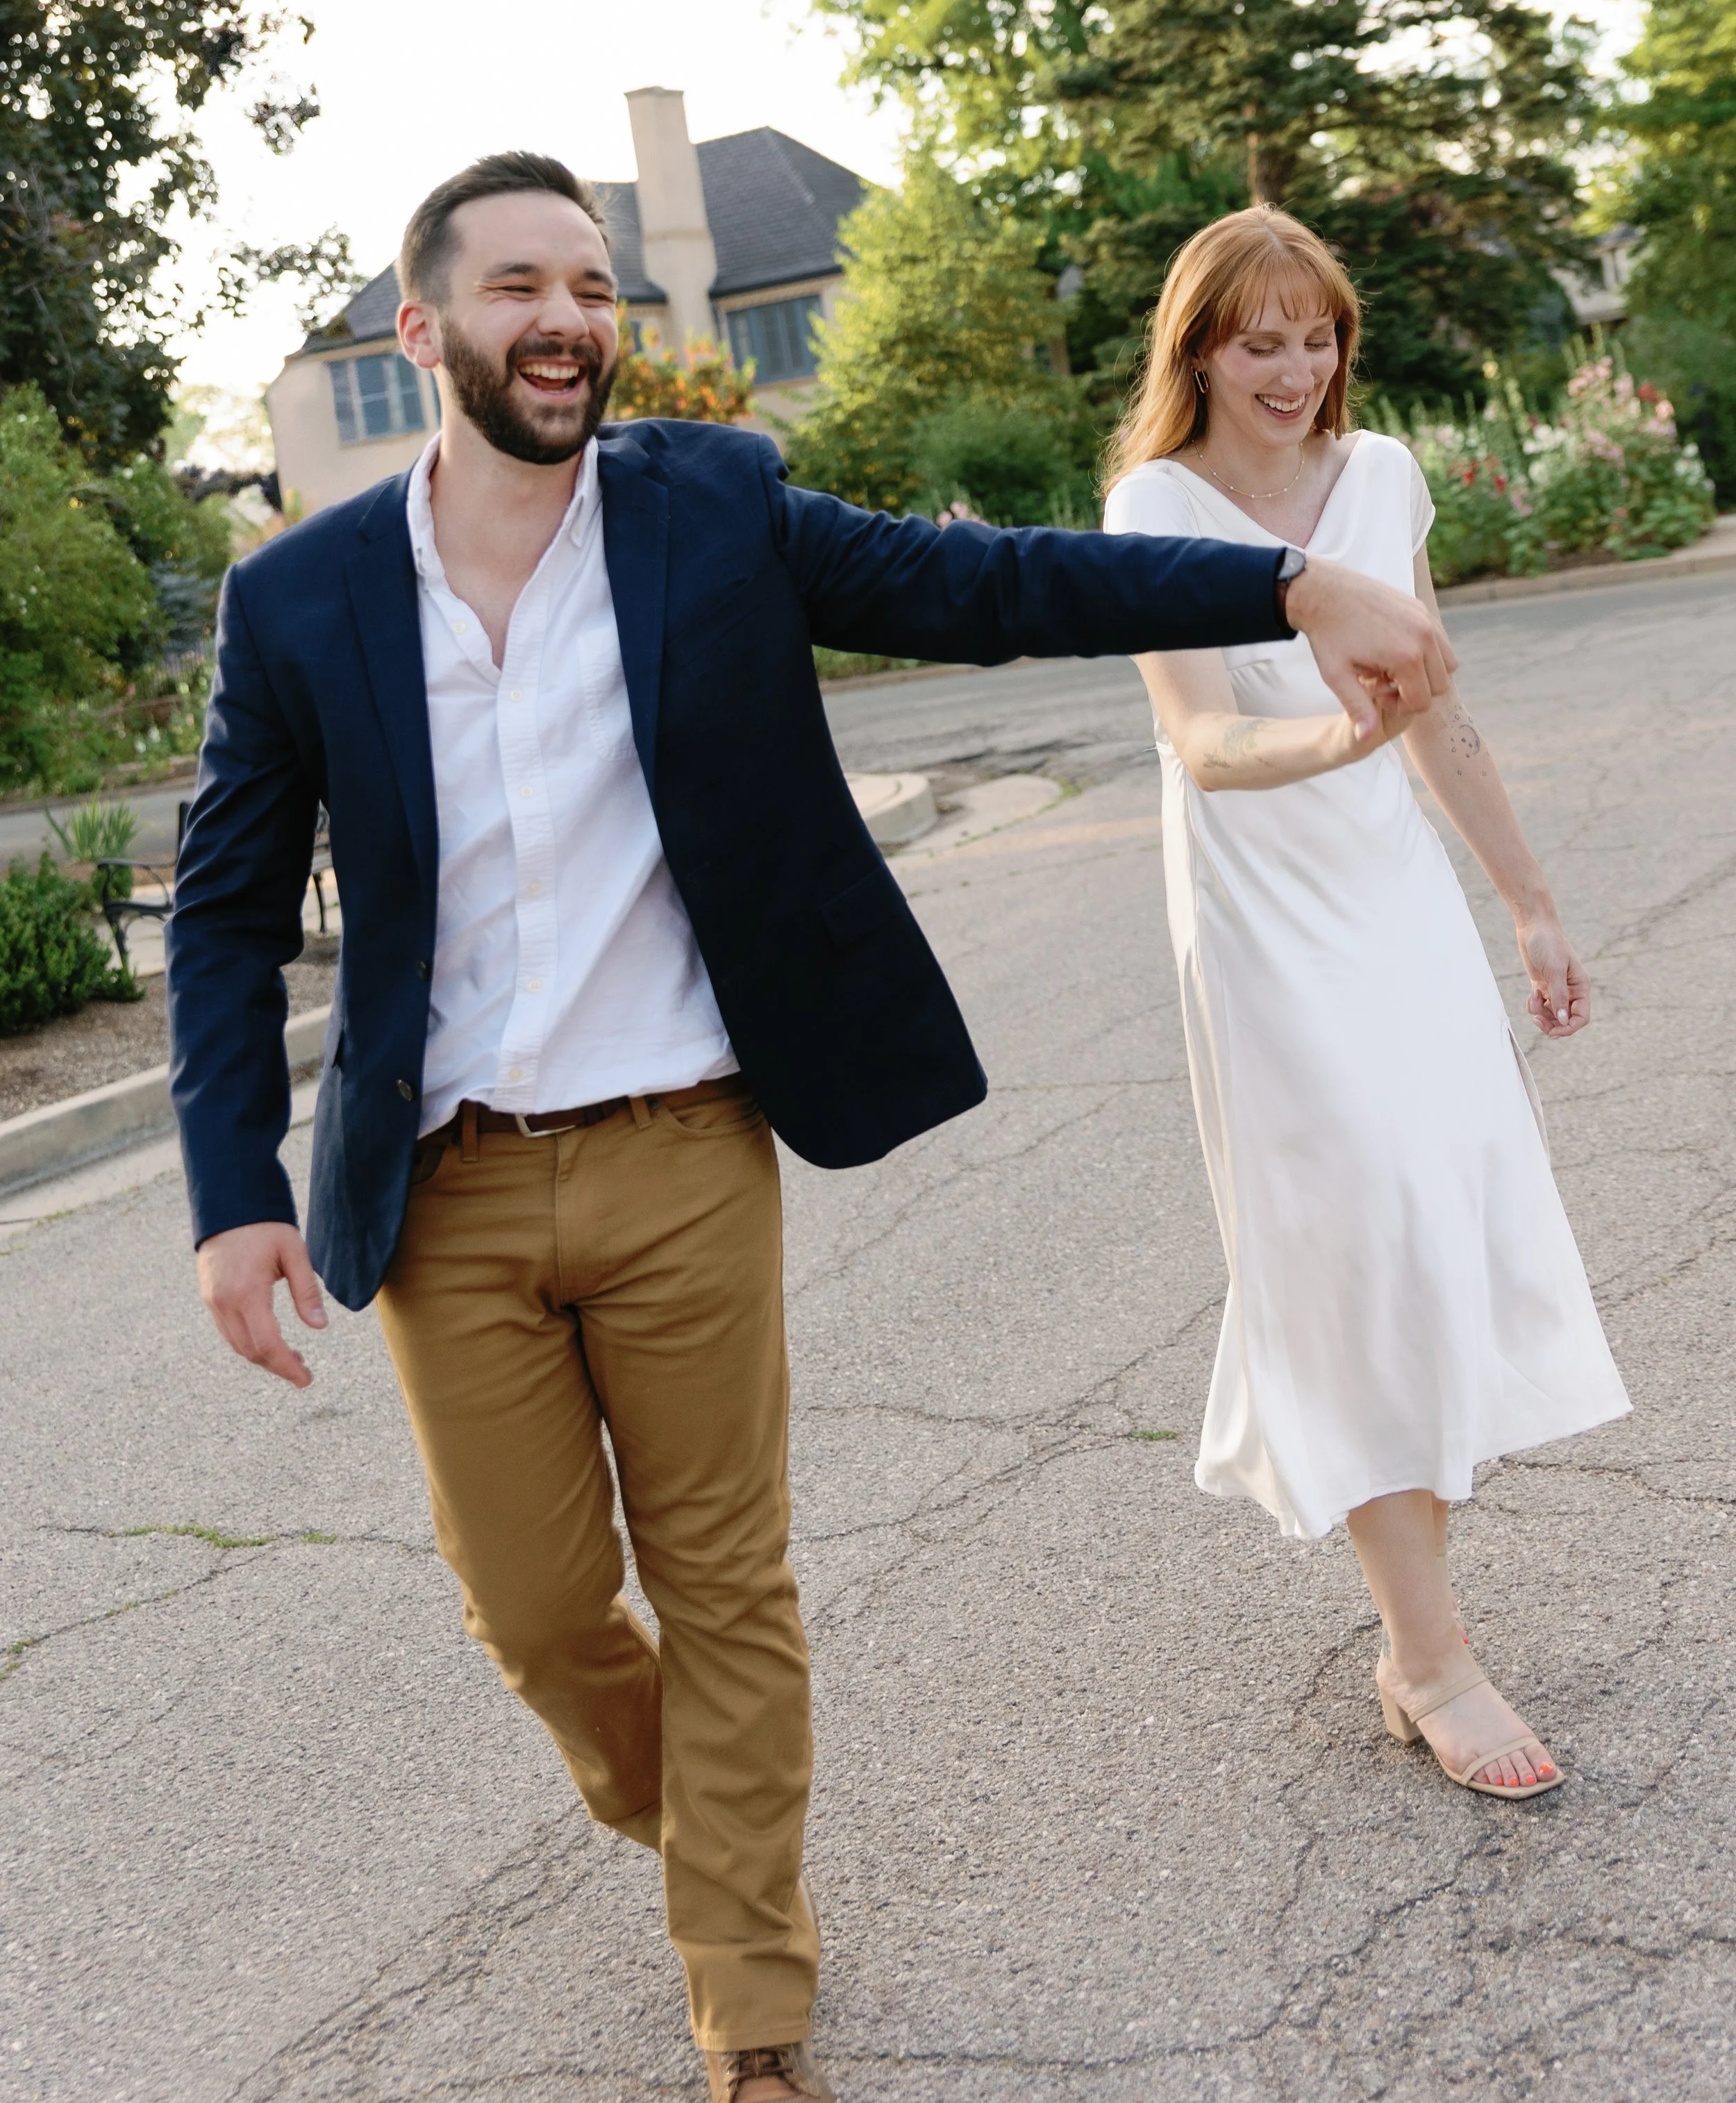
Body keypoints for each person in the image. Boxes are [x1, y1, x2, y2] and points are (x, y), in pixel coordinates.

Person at [167, 155, 1454, 2103]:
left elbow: (991, 582)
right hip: (442, 1186)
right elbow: (227, 908)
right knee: (531, 1612)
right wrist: (227, 1194)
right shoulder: (299, 600)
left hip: (686, 1142)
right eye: (520, 283)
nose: (568, 316)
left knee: (726, 1585)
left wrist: (1280, 576)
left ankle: (750, 2015)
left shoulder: (711, 506)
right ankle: (711, 1824)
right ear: (422, 331)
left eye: (592, 282)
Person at [1105, 204, 1630, 1804]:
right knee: (1355, 1244)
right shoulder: (1155, 506)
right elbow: (1200, 740)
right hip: (1265, 923)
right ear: (1195, 348)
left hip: (1393, 905)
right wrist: (1341, 740)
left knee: (1442, 1227)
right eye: (1256, 338)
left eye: (1313, 332)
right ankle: (1428, 1653)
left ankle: (1417, 1629)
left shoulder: (1383, 475)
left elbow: (1435, 709)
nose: (1292, 365)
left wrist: (1526, 898)